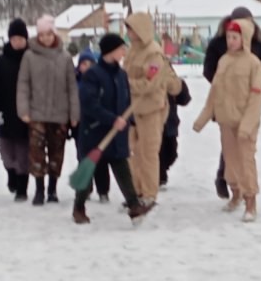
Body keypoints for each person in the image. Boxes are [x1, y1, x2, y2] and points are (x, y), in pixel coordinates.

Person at [194, 18, 261, 223]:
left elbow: (256, 98)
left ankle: (250, 201)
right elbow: (215, 92)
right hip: (226, 120)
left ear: (244, 38)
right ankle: (236, 194)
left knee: (246, 161)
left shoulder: (254, 64)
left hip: (245, 122)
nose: (231, 41)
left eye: (235, 37)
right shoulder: (223, 61)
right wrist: (203, 117)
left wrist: (248, 124)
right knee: (230, 161)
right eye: (228, 37)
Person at [73, 33, 147, 225]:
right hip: (95, 133)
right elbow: (89, 104)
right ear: (111, 51)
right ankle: (79, 208)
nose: (124, 52)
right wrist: (112, 119)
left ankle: (134, 206)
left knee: (122, 169)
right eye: (121, 48)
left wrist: (129, 120)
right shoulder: (93, 75)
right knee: (87, 173)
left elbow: (126, 101)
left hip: (117, 136)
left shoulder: (121, 75)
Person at [204, 6, 261, 199]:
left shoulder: (256, 45)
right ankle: (227, 180)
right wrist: (225, 86)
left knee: (246, 145)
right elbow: (209, 69)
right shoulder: (219, 44)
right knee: (229, 145)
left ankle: (245, 189)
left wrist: (251, 83)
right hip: (225, 102)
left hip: (247, 102)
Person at [16, 15, 79, 206]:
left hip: (60, 114)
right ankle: (39, 189)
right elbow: (23, 84)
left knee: (56, 153)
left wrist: (74, 115)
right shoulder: (29, 56)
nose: (45, 38)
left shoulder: (65, 57)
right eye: (41, 34)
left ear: (54, 34)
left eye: (48, 34)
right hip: (37, 113)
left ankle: (52, 189)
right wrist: (23, 109)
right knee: (36, 153)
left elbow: (72, 87)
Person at [126, 11, 184, 208]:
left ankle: (150, 194)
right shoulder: (132, 50)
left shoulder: (154, 53)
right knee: (134, 152)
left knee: (149, 152)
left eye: (131, 29)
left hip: (151, 109)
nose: (128, 33)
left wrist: (127, 84)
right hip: (133, 110)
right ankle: (137, 191)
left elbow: (150, 83)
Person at [0, 19, 32, 202]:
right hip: (4, 111)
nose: (17, 42)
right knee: (6, 150)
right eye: (14, 38)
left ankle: (22, 188)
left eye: (21, 38)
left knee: (22, 152)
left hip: (25, 112)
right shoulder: (1, 61)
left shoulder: (30, 58)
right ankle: (11, 172)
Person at [76, 48, 113, 202]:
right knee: (83, 158)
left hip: (98, 124)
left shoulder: (100, 80)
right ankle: (86, 188)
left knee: (101, 159)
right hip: (80, 125)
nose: (86, 67)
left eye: (90, 63)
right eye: (83, 64)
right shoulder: (74, 80)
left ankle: (103, 190)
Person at [160, 77, 193, 188]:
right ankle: (160, 177)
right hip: (156, 122)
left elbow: (184, 100)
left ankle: (161, 170)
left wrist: (180, 85)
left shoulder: (172, 81)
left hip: (171, 123)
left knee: (172, 154)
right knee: (158, 152)